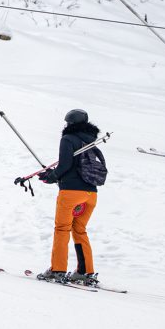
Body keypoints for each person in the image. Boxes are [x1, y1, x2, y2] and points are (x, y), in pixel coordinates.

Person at [36, 109, 103, 286]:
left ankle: (57, 270)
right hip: (91, 194)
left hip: (71, 193)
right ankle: (85, 272)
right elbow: (73, 165)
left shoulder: (67, 139)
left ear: (70, 124)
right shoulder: (91, 142)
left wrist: (51, 176)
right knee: (79, 230)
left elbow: (65, 164)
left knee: (62, 229)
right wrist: (54, 175)